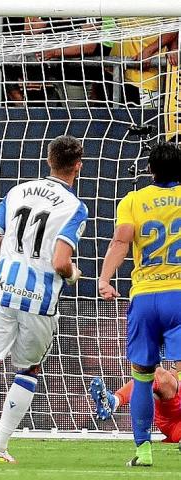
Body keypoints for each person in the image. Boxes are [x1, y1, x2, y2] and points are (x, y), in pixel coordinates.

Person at [0, 135, 88, 463]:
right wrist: (73, 274)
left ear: (48, 160)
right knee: (28, 369)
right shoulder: (75, 207)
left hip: (1, 288)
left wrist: (13, 252)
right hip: (39, 298)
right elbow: (61, 262)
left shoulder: (17, 191)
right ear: (77, 166)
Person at [99, 142, 181, 467]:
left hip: (145, 296)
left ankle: (143, 451)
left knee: (144, 377)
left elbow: (121, 240)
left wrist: (105, 279)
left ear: (150, 170)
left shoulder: (133, 200)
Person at [90, 365, 181, 444]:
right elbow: (174, 374)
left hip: (177, 428)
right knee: (158, 374)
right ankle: (114, 401)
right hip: (172, 414)